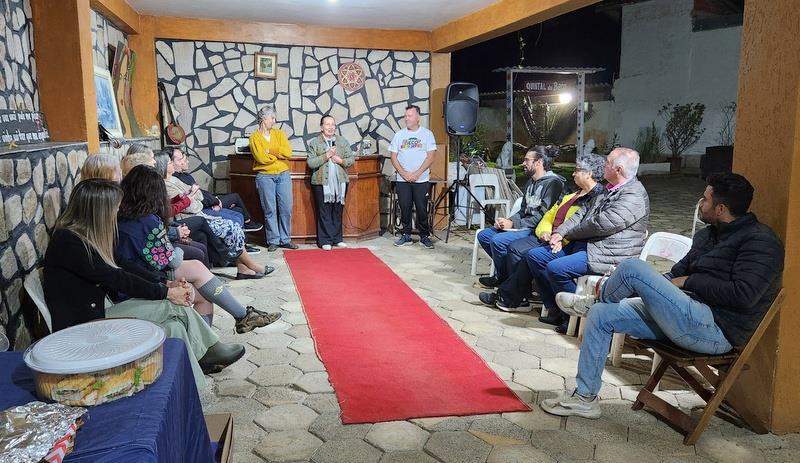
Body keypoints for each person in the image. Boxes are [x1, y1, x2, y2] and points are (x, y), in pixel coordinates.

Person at [543, 173, 785, 419]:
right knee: (601, 314)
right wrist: (656, 287)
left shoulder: (760, 242)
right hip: (681, 315)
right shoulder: (707, 235)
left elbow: (744, 295)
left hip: (715, 329)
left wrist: (689, 281)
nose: (700, 204)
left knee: (632, 267)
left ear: (721, 209)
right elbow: (676, 274)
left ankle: (593, 299)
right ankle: (585, 398)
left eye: (705, 200)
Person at [42, 179, 245, 387]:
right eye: (114, 208)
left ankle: (192, 388)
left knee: (174, 328)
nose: (117, 213)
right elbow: (117, 277)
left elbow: (125, 266)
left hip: (102, 310)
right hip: (86, 325)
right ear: (98, 211)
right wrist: (166, 293)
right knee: (171, 306)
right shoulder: (69, 242)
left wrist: (165, 283)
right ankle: (210, 349)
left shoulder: (86, 236)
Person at [116, 165, 281, 333]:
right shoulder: (148, 221)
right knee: (199, 275)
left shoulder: (122, 216)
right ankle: (239, 318)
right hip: (142, 279)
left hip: (132, 272)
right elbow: (172, 261)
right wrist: (177, 247)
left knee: (200, 278)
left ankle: (237, 320)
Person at [527, 147, 649, 329]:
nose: (603, 165)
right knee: (536, 256)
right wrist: (559, 233)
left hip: (609, 253)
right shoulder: (608, 189)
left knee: (556, 269)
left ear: (619, 170)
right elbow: (582, 213)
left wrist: (568, 234)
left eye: (607, 163)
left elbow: (600, 224)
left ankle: (579, 318)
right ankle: (556, 309)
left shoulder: (633, 195)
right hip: (589, 245)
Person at [479, 154, 605, 315]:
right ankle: (514, 295)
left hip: (567, 242)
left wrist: (561, 237)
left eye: (577, 170)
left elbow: (583, 225)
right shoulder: (572, 194)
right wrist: (545, 231)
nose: (573, 173)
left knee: (528, 254)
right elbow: (549, 215)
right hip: (547, 235)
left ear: (589, 173)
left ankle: (514, 297)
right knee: (515, 248)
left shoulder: (595, 197)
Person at [158, 151, 271, 279]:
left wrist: (192, 198)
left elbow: (199, 194)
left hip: (199, 213)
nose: (172, 164)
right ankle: (247, 264)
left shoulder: (175, 179)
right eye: (170, 162)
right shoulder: (166, 185)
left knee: (234, 223)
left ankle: (243, 268)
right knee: (231, 227)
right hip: (187, 218)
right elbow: (190, 206)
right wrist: (192, 198)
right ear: (164, 166)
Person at [476, 145, 565, 291]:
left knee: (498, 241)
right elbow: (523, 210)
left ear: (539, 162)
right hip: (523, 225)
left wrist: (513, 224)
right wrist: (508, 221)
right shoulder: (531, 182)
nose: (523, 163)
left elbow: (543, 216)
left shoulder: (553, 183)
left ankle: (509, 284)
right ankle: (506, 278)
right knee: (485, 235)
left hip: (535, 229)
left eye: (527, 160)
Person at [167, 146, 264, 235]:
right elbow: (193, 200)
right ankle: (247, 226)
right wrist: (215, 201)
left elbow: (199, 193)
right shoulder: (172, 181)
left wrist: (214, 199)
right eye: (181, 160)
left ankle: (243, 238)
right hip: (201, 209)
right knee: (235, 202)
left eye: (184, 159)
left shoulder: (185, 176)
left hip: (205, 204)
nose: (186, 162)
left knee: (238, 211)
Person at [249, 105, 298, 252]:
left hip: (283, 174)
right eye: (272, 118)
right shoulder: (254, 137)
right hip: (265, 176)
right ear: (263, 119)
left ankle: (285, 239)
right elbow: (261, 158)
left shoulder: (280, 134)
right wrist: (277, 156)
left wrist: (270, 151)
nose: (274, 121)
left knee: (286, 208)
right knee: (270, 209)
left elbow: (288, 153)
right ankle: (273, 240)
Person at [390, 105, 437, 249]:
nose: (406, 118)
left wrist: (417, 173)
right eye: (405, 116)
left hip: (421, 180)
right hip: (403, 180)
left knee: (422, 209)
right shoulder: (399, 135)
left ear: (418, 117)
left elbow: (431, 157)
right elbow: (393, 156)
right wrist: (404, 174)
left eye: (409, 116)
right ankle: (406, 235)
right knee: (405, 208)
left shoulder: (427, 134)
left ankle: (424, 236)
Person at [306, 114, 355, 250]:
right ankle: (325, 240)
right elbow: (311, 162)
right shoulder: (315, 143)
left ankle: (337, 238)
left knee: (337, 210)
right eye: (327, 124)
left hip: (340, 182)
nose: (330, 127)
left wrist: (341, 160)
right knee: (324, 211)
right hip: (321, 182)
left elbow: (351, 159)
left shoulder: (342, 141)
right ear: (321, 127)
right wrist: (326, 156)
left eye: (333, 124)